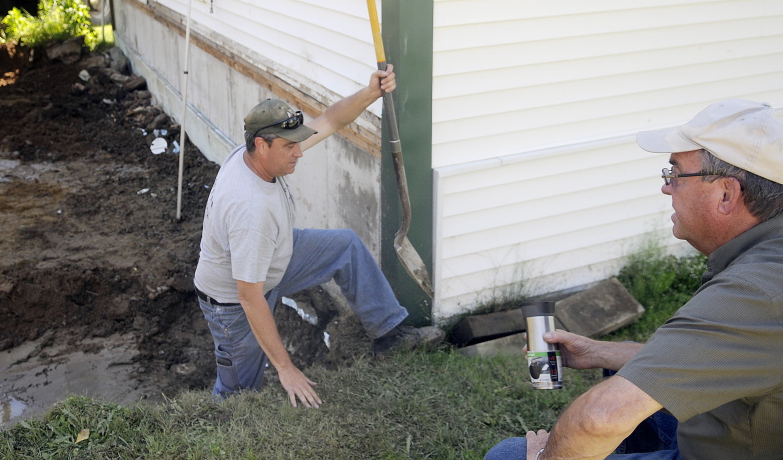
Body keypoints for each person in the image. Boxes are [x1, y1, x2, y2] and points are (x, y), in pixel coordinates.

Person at [484, 98, 783, 460]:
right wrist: (598, 351)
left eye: (675, 174)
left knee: (510, 456)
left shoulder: (754, 292)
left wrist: (540, 458)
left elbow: (598, 420)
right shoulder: (766, 259)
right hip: (740, 427)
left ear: (726, 194)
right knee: (624, 368)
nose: (666, 187)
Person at [194, 65, 444, 409]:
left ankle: (391, 334)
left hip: (271, 262)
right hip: (233, 303)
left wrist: (371, 92)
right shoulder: (250, 209)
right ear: (261, 145)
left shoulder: (256, 152)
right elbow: (249, 296)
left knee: (344, 246)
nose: (299, 153)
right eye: (289, 147)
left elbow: (330, 120)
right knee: (238, 395)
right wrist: (286, 368)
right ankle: (216, 428)